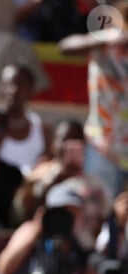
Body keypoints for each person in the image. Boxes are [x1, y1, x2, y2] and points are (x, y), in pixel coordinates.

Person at [59, 0, 128, 198]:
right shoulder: (107, 41)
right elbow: (65, 46)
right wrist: (106, 39)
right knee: (96, 213)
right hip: (103, 147)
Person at [0, 63, 53, 176]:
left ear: (31, 91)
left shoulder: (42, 130)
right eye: (8, 84)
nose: (13, 90)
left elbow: (49, 163)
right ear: (0, 87)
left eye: (20, 84)